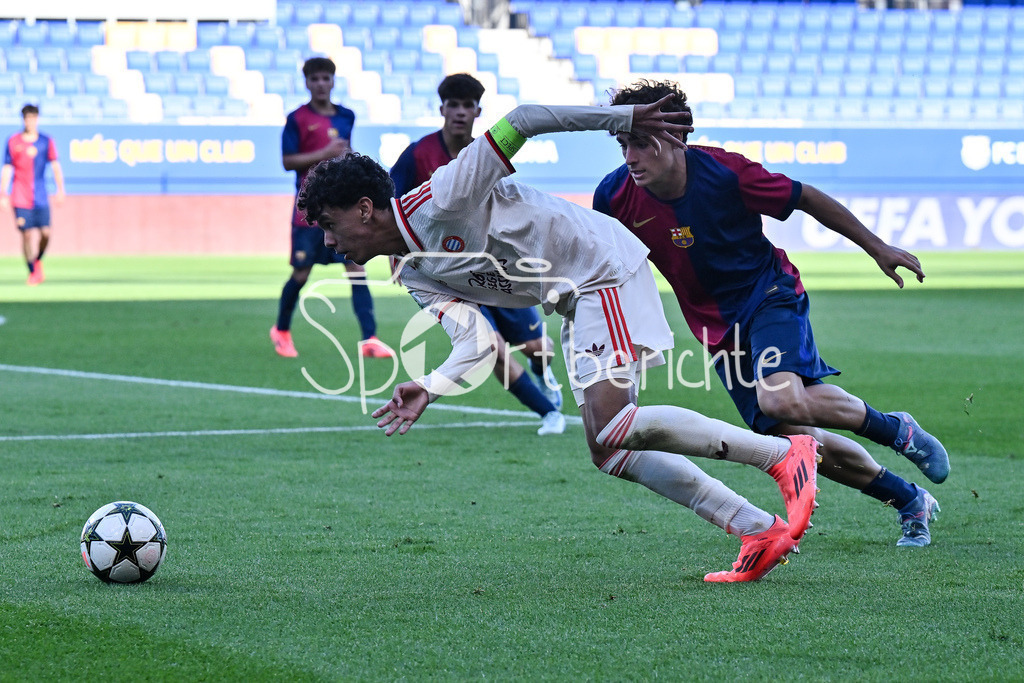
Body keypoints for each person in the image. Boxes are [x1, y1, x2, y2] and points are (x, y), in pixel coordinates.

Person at [298, 98, 824, 582]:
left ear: (364, 209)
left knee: (615, 425)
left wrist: (625, 119)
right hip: (576, 297)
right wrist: (431, 386)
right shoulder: (411, 273)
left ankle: (781, 455)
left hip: (600, 269)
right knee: (608, 451)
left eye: (328, 224)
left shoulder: (442, 196)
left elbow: (523, 119)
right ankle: (758, 527)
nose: (327, 240)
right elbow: (477, 345)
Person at [593, 80, 948, 548]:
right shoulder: (614, 198)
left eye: (641, 143)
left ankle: (896, 429)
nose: (630, 157)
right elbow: (606, 265)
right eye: (623, 144)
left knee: (780, 399)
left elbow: (806, 198)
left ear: (677, 137)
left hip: (769, 294)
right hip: (716, 329)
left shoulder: (726, 172)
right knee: (799, 444)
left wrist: (876, 247)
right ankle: (909, 500)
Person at [390, 73, 565, 436]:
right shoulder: (418, 155)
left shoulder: (485, 157)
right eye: (452, 105)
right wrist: (393, 253)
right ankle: (549, 413)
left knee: (535, 347)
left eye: (466, 105)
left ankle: (541, 369)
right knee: (491, 346)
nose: (458, 112)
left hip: (493, 267)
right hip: (442, 272)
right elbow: (390, 208)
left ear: (477, 111)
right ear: (442, 109)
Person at [270, 57, 392, 359]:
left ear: (333, 81)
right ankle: (282, 330)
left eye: (326, 78)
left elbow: (343, 153)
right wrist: (323, 153)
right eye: (315, 79)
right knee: (300, 274)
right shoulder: (297, 118)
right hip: (308, 211)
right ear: (307, 83)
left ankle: (370, 338)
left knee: (357, 269)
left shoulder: (346, 116)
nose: (321, 84)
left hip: (340, 208)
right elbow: (287, 161)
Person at [1, 104, 65, 286]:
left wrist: (61, 190)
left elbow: (55, 166)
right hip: (20, 196)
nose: (30, 122)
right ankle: (32, 271)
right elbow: (7, 168)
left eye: (33, 118)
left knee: (46, 233)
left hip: (41, 196)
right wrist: (3, 194)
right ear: (23, 120)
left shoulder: (46, 141)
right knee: (26, 235)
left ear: (37, 119)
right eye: (27, 118)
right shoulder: (13, 141)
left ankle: (37, 261)